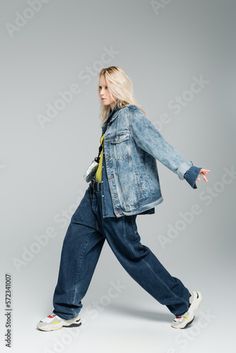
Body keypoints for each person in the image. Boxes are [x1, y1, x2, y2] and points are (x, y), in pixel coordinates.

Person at [36, 66, 210, 332]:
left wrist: (188, 169)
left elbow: (158, 145)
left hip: (116, 202)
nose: (101, 93)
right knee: (74, 245)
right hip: (94, 197)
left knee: (133, 256)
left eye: (106, 87)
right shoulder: (112, 120)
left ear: (118, 87)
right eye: (99, 87)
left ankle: (183, 303)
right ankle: (66, 311)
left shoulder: (131, 116)